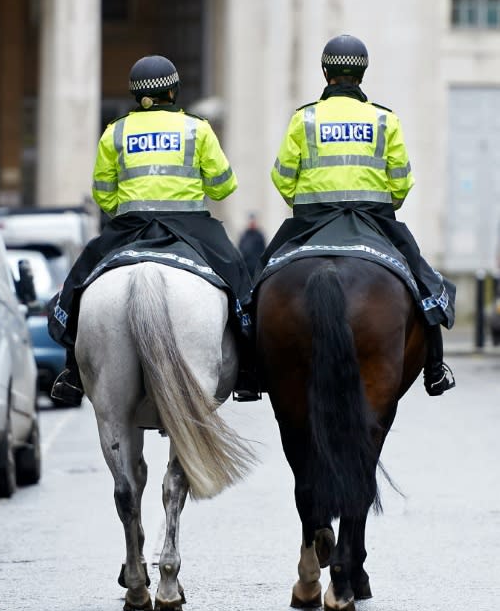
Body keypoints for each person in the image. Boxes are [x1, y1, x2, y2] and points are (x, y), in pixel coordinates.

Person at [49, 54, 260, 405]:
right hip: (191, 227)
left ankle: (72, 370)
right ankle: (249, 370)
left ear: (136, 95)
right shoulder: (197, 129)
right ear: (174, 91)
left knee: (79, 281)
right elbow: (224, 186)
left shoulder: (115, 132)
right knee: (238, 277)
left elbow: (103, 193)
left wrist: (127, 207)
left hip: (130, 226)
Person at [265, 34, 455, 396]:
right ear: (362, 73)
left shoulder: (304, 119)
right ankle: (435, 369)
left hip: (311, 221)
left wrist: (304, 202)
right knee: (425, 284)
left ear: (325, 71)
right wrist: (385, 204)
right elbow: (401, 181)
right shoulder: (384, 120)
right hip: (374, 220)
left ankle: (249, 368)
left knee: (258, 282)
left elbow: (282, 177)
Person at [238, 213, 266, 279]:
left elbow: (263, 250)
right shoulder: (244, 235)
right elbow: (240, 248)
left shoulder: (259, 235)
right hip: (246, 265)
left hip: (256, 266)